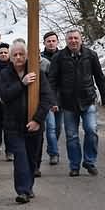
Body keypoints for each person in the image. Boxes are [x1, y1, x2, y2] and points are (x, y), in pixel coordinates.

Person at [48, 29, 105, 177]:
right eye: (70, 39)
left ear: (81, 40)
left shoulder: (90, 55)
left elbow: (100, 78)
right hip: (68, 103)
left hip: (88, 100)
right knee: (72, 136)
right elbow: (52, 81)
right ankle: (74, 165)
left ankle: (89, 161)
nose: (73, 41)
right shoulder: (59, 57)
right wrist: (53, 100)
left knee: (91, 130)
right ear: (66, 41)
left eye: (76, 38)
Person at [0, 41, 54, 204]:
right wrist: (21, 84)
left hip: (34, 124)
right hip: (13, 125)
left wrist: (37, 120)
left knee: (31, 158)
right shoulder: (5, 74)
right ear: (10, 57)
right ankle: (22, 191)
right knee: (20, 157)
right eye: (14, 55)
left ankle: (28, 188)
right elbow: (4, 95)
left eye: (21, 54)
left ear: (26, 55)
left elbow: (47, 98)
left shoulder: (37, 72)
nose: (18, 57)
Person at [41, 31, 62, 166]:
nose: (51, 43)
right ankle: (54, 153)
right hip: (47, 98)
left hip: (61, 97)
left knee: (58, 128)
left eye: (53, 41)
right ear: (44, 43)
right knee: (51, 127)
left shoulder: (63, 56)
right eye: (48, 41)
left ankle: (51, 147)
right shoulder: (40, 59)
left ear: (57, 42)